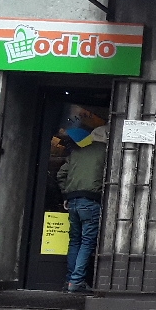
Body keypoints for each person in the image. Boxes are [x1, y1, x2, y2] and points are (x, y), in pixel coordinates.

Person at [56, 125, 107, 293]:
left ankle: (69, 280)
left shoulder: (77, 151)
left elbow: (61, 174)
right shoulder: (107, 152)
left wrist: (66, 195)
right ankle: (77, 281)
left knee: (75, 241)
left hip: (73, 200)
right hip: (91, 200)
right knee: (87, 242)